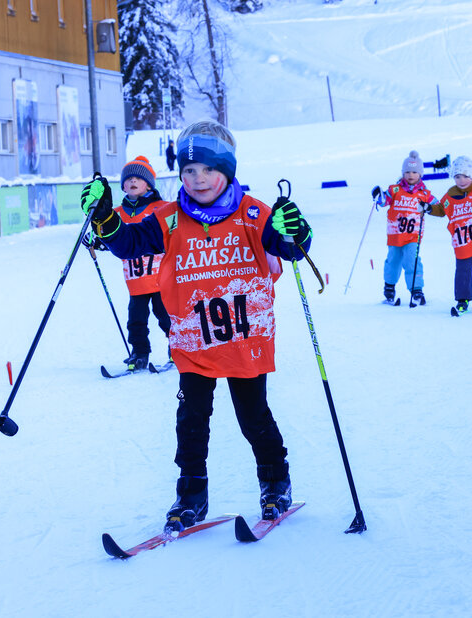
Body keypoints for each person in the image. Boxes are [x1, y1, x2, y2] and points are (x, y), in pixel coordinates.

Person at [79, 119, 312, 532]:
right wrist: (103, 218)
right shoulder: (169, 218)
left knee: (253, 415)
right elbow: (129, 242)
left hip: (245, 338)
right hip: (192, 340)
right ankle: (191, 493)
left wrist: (296, 231)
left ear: (227, 170)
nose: (198, 179)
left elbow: (289, 247)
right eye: (188, 171)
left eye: (208, 169)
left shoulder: (253, 212)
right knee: (190, 421)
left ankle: (276, 481)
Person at [112, 156, 171, 370]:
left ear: (148, 184)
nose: (133, 181)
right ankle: (139, 352)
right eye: (128, 179)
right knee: (136, 320)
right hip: (135, 280)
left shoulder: (162, 208)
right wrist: (95, 239)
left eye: (138, 177)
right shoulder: (117, 214)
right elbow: (107, 235)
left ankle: (178, 347)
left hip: (160, 278)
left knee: (166, 315)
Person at [421, 156, 472, 316]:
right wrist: (428, 208)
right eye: (457, 177)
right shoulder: (451, 195)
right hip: (461, 242)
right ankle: (462, 299)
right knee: (463, 271)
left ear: (471, 176)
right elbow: (442, 209)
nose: (461, 180)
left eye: (465, 176)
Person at [378, 150, 438, 306]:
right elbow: (384, 200)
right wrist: (378, 196)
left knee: (412, 260)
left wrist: (429, 207)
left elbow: (437, 207)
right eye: (407, 172)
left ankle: (416, 289)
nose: (411, 175)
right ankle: (389, 287)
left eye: (414, 172)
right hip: (395, 235)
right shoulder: (395, 190)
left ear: (420, 174)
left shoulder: (424, 193)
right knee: (393, 261)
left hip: (413, 236)